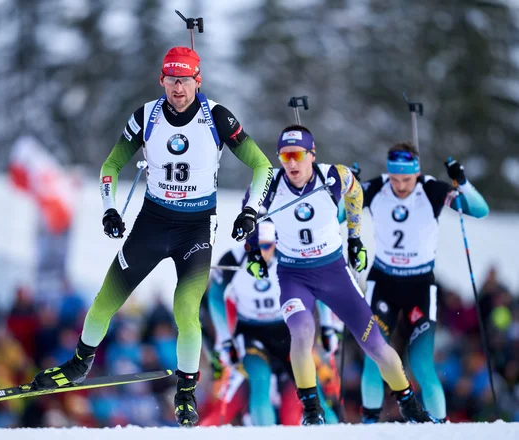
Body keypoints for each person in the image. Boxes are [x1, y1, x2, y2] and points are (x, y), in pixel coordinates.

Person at [27, 46, 273, 427]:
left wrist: (250, 211)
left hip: (195, 227)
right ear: (162, 80)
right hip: (152, 223)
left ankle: (186, 392)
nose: (178, 88)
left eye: (185, 80)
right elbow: (111, 164)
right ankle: (79, 364)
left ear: (197, 81)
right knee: (105, 300)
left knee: (186, 312)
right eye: (172, 80)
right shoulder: (146, 116)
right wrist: (109, 207)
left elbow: (262, 165)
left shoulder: (217, 116)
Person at [246, 124, 438, 425]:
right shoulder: (270, 184)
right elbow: (251, 215)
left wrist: (355, 238)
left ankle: (408, 403)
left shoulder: (333, 176)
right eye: (284, 156)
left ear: (312, 154)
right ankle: (312, 410)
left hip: (333, 272)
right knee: (302, 332)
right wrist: (254, 253)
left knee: (375, 344)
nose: (291, 163)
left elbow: (355, 192)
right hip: (294, 275)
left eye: (297, 155)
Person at [359, 143, 489, 423]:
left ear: (417, 174)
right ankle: (367, 426)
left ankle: (439, 427)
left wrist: (463, 183)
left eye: (407, 179)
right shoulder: (376, 187)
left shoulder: (430, 189)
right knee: (373, 358)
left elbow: (479, 210)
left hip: (419, 287)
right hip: (383, 284)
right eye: (396, 179)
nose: (401, 186)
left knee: (421, 365)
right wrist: (346, 189)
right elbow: (337, 215)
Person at [206, 220, 340, 425]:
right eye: (255, 247)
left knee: (311, 387)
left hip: (285, 330)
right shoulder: (233, 258)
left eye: (266, 246)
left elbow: (318, 288)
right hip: (250, 331)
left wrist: (328, 326)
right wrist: (225, 340)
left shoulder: (290, 257)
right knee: (260, 379)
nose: (261, 253)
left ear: (276, 244)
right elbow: (215, 295)